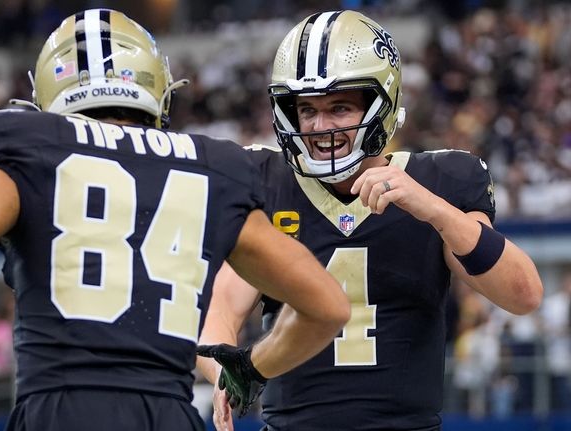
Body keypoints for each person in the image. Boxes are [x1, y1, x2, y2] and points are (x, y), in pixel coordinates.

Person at [0, 9, 350, 431]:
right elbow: (327, 306)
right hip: (168, 413)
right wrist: (251, 370)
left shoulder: (32, 148)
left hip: (61, 409)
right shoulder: (213, 168)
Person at [196, 9, 543, 431]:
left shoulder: (441, 180)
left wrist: (432, 209)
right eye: (307, 110)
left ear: (384, 104)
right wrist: (224, 375)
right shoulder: (268, 184)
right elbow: (219, 311)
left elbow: (523, 294)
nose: (320, 128)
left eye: (339, 107)